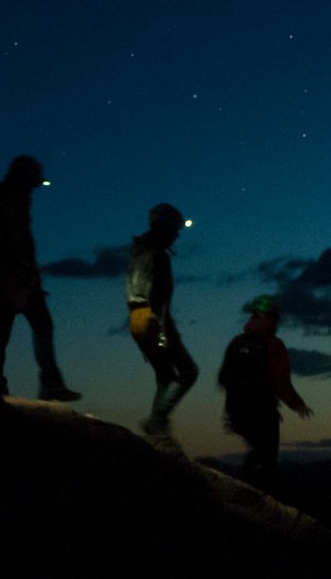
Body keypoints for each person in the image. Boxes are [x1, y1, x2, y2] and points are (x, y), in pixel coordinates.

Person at [0, 155, 81, 401]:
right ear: (26, 177)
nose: (35, 186)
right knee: (39, 325)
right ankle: (48, 384)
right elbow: (19, 238)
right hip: (15, 276)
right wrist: (29, 273)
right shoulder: (14, 198)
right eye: (34, 181)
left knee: (1, 331)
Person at [216, 294, 312, 485]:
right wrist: (297, 404)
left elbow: (223, 379)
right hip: (264, 413)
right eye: (275, 318)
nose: (277, 323)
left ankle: (243, 487)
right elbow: (280, 381)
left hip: (237, 415)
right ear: (265, 317)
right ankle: (255, 498)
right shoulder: (274, 345)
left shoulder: (236, 342)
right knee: (268, 461)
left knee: (258, 451)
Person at [125, 203, 196, 446]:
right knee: (188, 371)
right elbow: (158, 297)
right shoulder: (159, 256)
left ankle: (157, 427)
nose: (177, 236)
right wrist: (163, 331)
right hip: (154, 319)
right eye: (175, 230)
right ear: (166, 228)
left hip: (136, 320)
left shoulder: (138, 252)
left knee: (165, 376)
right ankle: (157, 421)